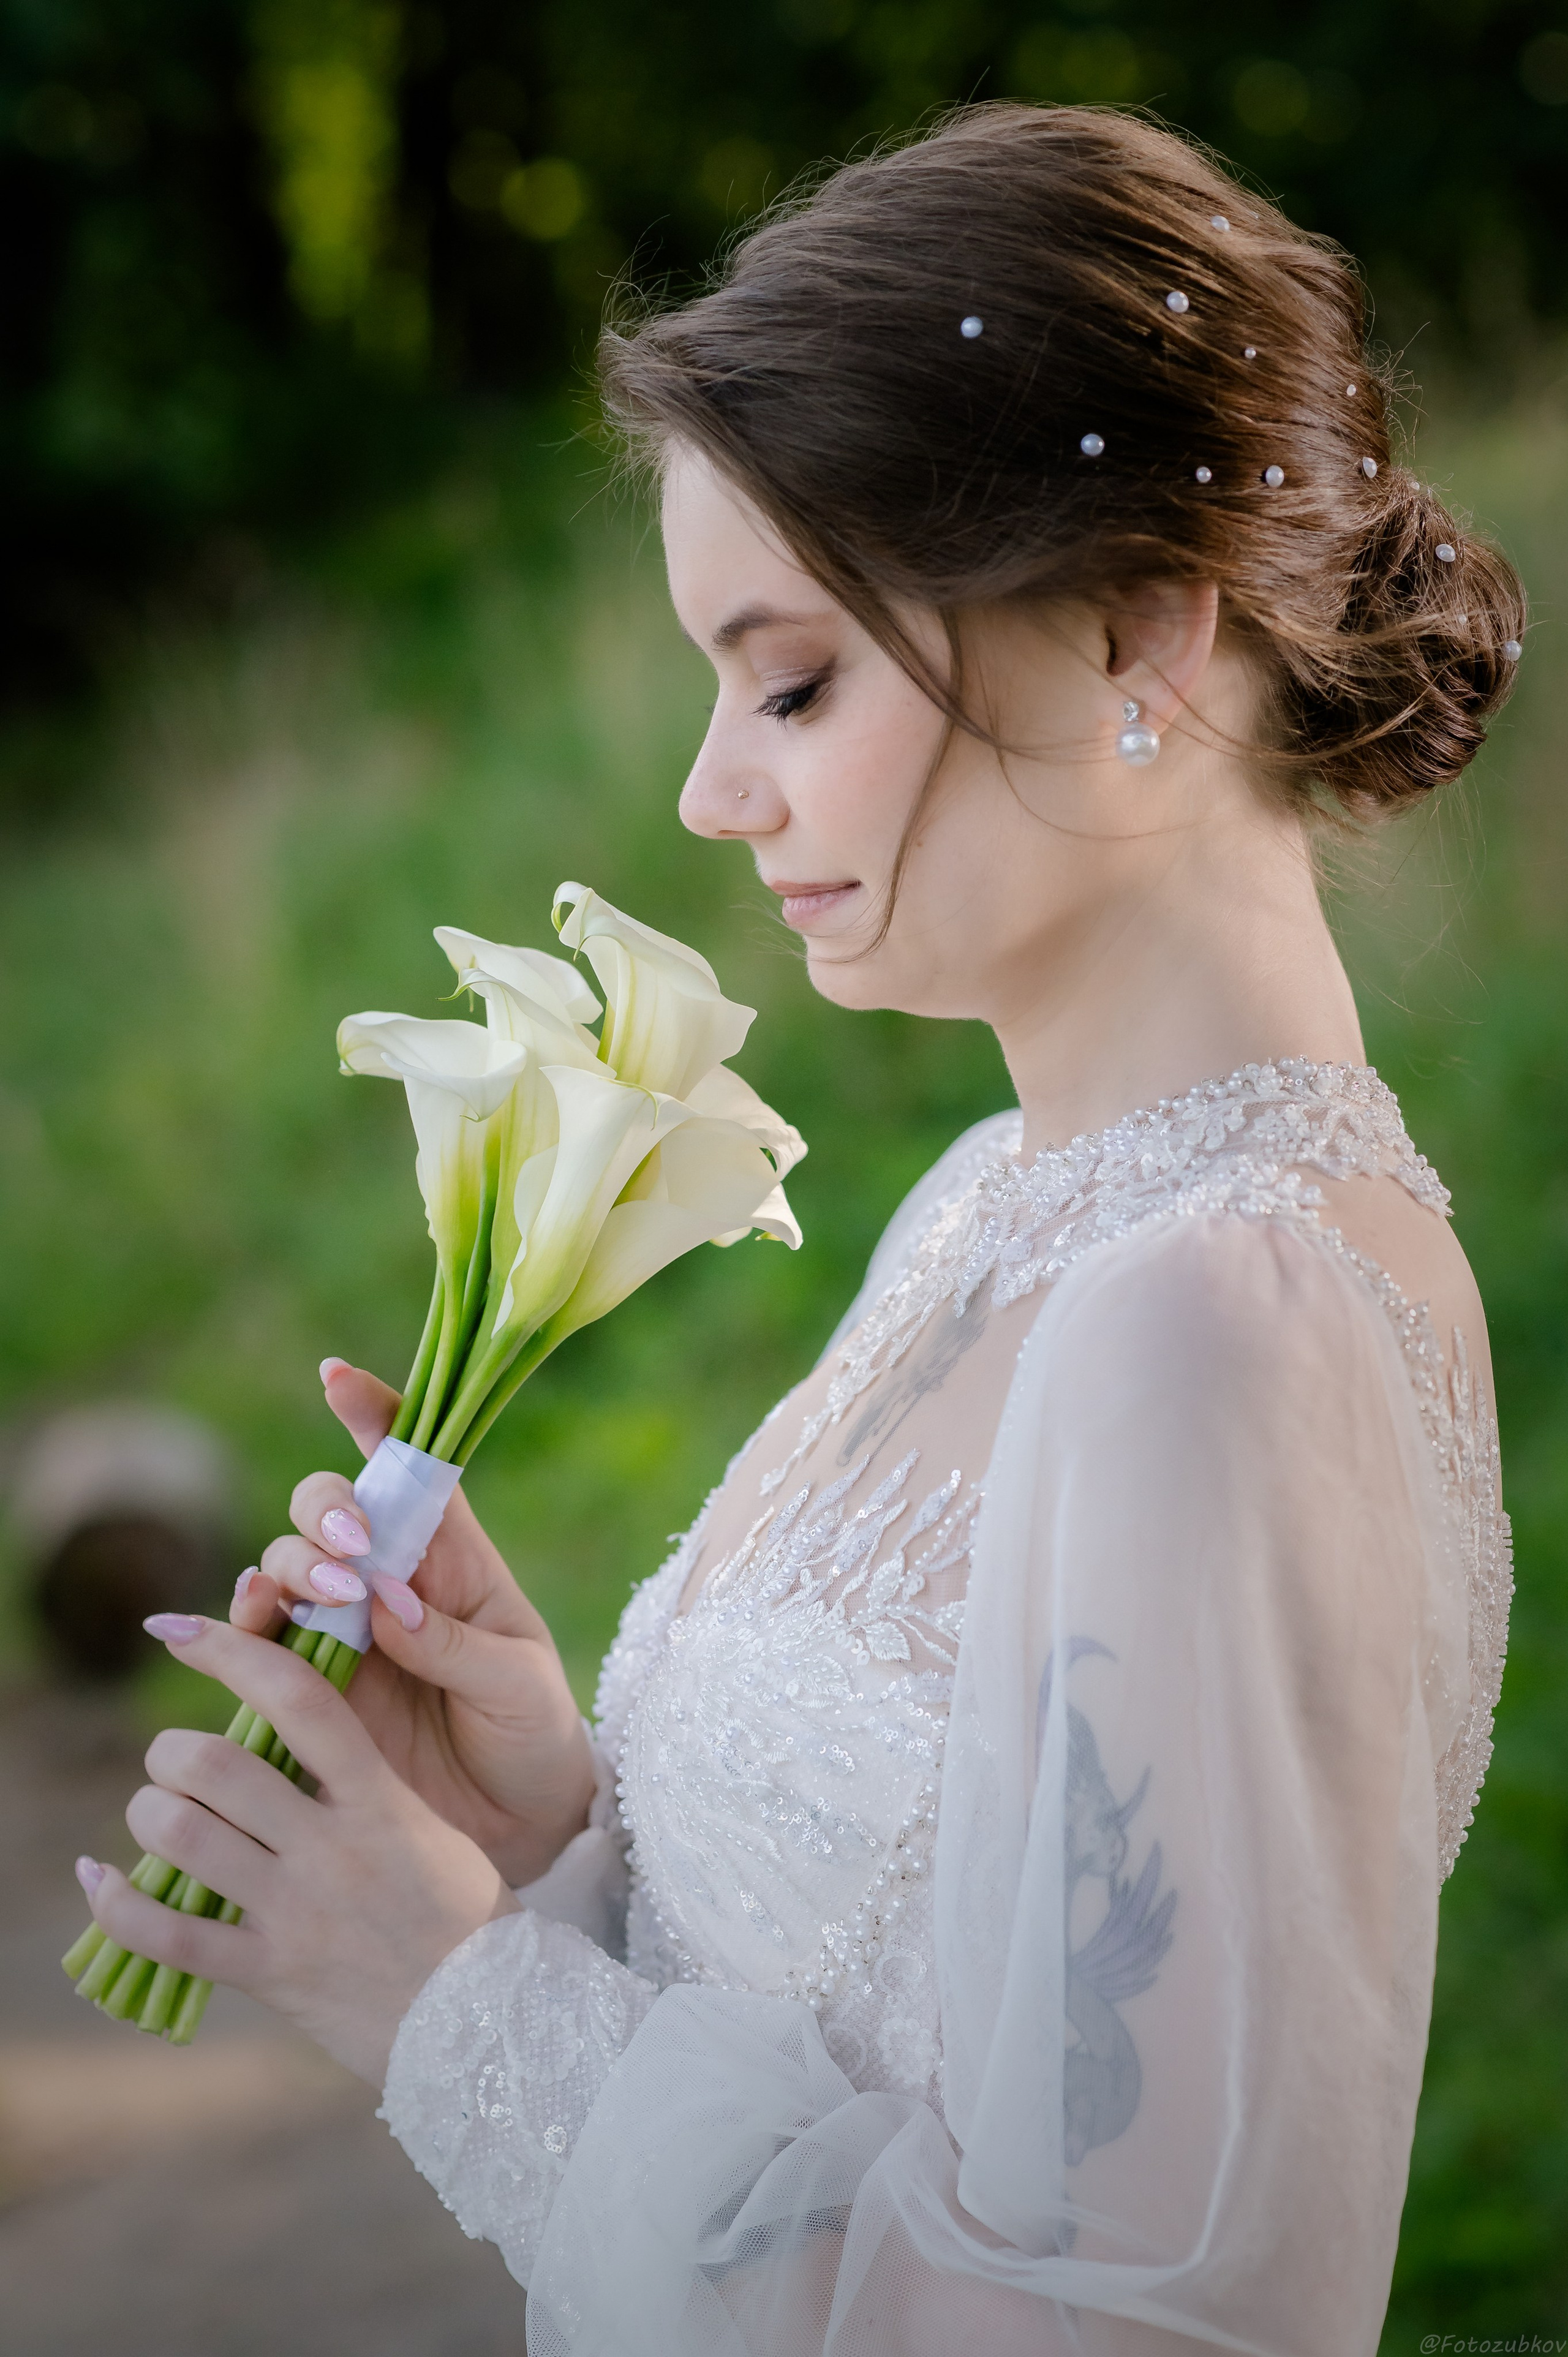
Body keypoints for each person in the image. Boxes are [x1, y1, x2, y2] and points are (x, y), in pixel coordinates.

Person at [79, 105, 1523, 2353]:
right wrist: (556, 1810)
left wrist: (456, 2008)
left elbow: (1137, 2327)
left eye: (795, 678)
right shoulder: (1000, 1210)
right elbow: (905, 1991)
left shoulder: (1218, 1325)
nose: (710, 787)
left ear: (1141, 631)